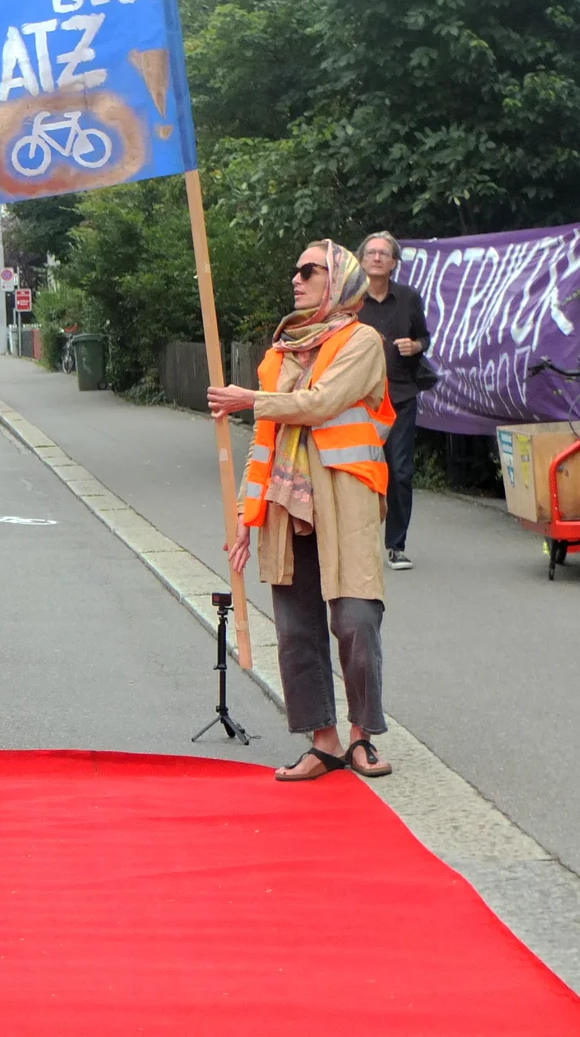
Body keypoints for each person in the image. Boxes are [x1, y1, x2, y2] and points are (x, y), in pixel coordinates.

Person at [208, 240, 396, 782]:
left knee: (357, 621)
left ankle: (363, 736)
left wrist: (249, 399)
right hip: (286, 506)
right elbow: (263, 441)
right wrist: (247, 513)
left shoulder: (363, 341)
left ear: (336, 280)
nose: (296, 278)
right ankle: (324, 742)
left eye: (309, 270)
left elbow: (318, 404)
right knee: (296, 629)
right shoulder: (282, 352)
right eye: (294, 270)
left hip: (346, 499)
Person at [357, 231, 430, 571]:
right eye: (370, 252)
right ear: (361, 260)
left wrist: (415, 347)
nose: (376, 258)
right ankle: (360, 540)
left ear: (394, 263)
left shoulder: (409, 298)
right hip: (358, 401)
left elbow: (424, 337)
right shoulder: (351, 301)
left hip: (400, 396)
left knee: (399, 472)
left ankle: (396, 545)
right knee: (360, 472)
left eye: (383, 253)